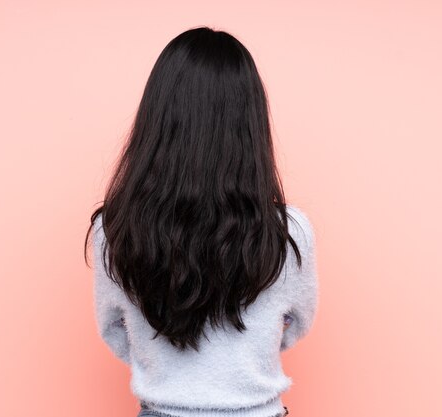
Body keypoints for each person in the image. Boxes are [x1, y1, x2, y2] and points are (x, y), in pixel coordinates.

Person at [83, 25, 319, 417]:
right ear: (251, 122)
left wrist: (168, 362)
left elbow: (114, 331)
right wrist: (242, 354)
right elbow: (295, 325)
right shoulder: (290, 231)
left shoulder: (114, 229)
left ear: (157, 117)